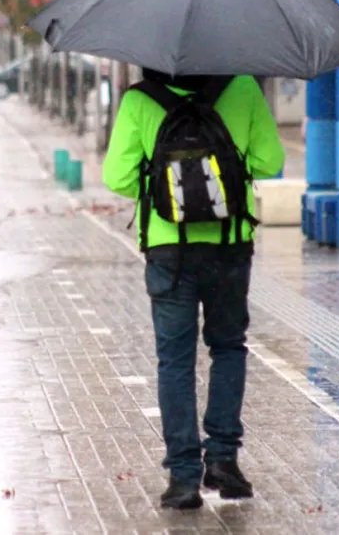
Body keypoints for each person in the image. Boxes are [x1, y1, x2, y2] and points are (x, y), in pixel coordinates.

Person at [101, 70, 284, 510]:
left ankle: (183, 478)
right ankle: (222, 458)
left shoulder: (140, 98)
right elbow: (270, 161)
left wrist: (164, 180)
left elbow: (117, 177)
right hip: (229, 244)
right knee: (228, 347)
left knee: (175, 360)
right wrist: (225, 172)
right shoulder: (242, 88)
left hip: (168, 249)